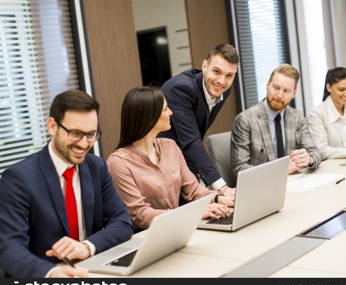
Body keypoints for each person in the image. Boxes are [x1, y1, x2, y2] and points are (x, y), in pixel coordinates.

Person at [0, 90, 133, 278]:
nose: (84, 144)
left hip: (92, 270)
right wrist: (51, 273)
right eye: (76, 133)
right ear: (52, 126)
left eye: (91, 134)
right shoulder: (18, 178)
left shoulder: (97, 167)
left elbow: (122, 222)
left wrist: (87, 246)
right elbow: (8, 248)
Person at [108, 87, 233, 230]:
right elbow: (140, 214)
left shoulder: (170, 146)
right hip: (146, 237)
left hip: (178, 229)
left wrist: (219, 198)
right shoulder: (118, 162)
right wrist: (190, 214)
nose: (171, 113)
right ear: (150, 117)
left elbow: (193, 190)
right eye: (165, 109)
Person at [160, 43, 239, 194]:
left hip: (186, 160)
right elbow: (190, 141)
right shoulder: (181, 89)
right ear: (204, 66)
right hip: (162, 165)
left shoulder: (222, 90)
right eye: (216, 71)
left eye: (229, 75)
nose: (222, 81)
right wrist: (219, 185)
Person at [231, 64, 321, 178]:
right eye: (276, 88)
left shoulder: (297, 117)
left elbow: (316, 152)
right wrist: (280, 171)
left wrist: (309, 159)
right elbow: (239, 168)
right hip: (262, 187)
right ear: (267, 85)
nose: (279, 95)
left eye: (286, 91)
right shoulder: (245, 120)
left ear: (294, 93)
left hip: (294, 183)